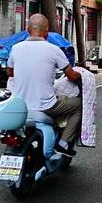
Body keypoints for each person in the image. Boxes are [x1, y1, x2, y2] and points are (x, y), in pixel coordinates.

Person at [7, 14, 82, 158]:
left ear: (27, 29)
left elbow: (10, 73)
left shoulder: (16, 48)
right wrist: (82, 75)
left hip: (20, 106)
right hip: (46, 106)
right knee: (78, 105)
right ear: (46, 30)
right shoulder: (54, 49)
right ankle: (63, 144)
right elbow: (71, 76)